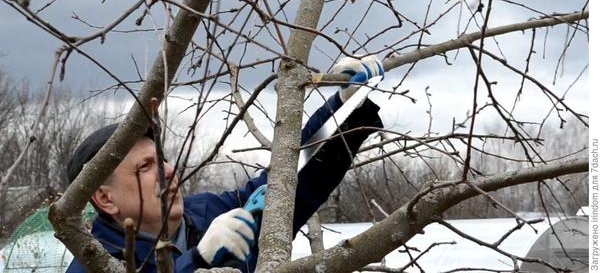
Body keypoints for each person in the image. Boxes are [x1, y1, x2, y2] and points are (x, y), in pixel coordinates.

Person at [65, 56, 384, 273]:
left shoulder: (208, 214)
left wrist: (345, 107)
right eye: (146, 167)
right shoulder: (92, 264)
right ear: (105, 198)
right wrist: (199, 261)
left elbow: (290, 180)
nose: (170, 170)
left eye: (162, 159)